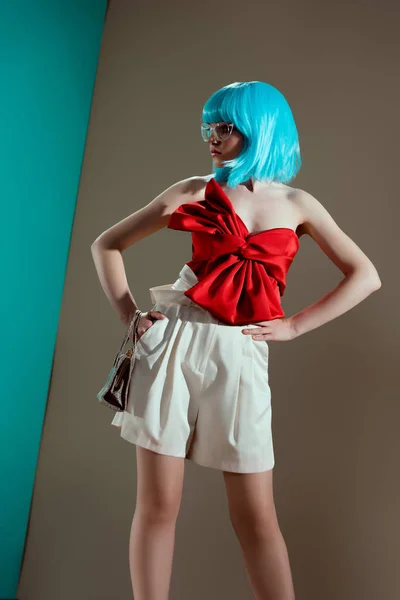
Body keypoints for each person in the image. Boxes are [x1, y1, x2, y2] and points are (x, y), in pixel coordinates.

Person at [91, 81, 381, 600]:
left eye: (225, 126)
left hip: (241, 351)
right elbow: (106, 244)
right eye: (210, 126)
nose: (213, 137)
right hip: (174, 343)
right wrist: (130, 317)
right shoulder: (195, 190)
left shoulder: (298, 203)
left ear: (262, 130)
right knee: (159, 506)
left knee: (257, 517)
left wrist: (294, 326)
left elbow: (365, 275)